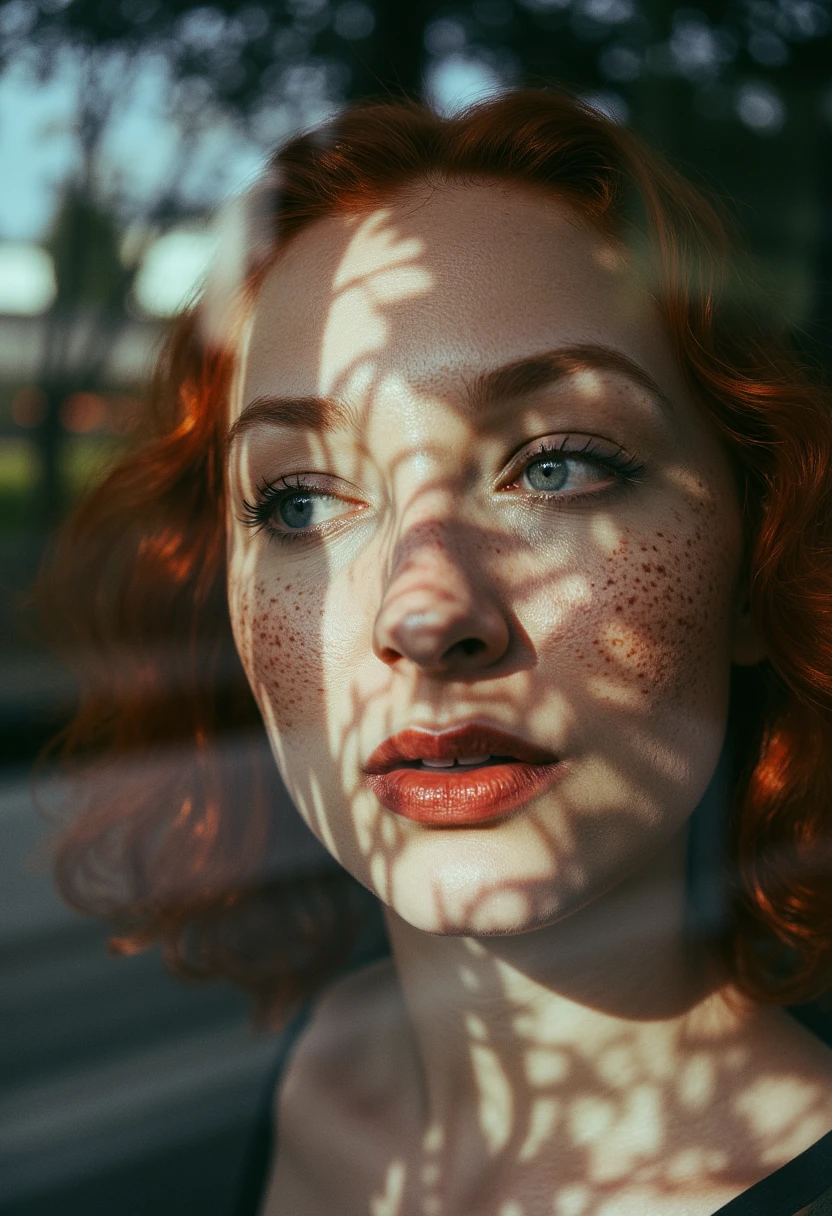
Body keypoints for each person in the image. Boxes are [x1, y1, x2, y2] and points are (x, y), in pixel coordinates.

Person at [39, 89, 832, 1215]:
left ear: (757, 554)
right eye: (300, 501)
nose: (423, 613)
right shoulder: (324, 1065)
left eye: (556, 466)